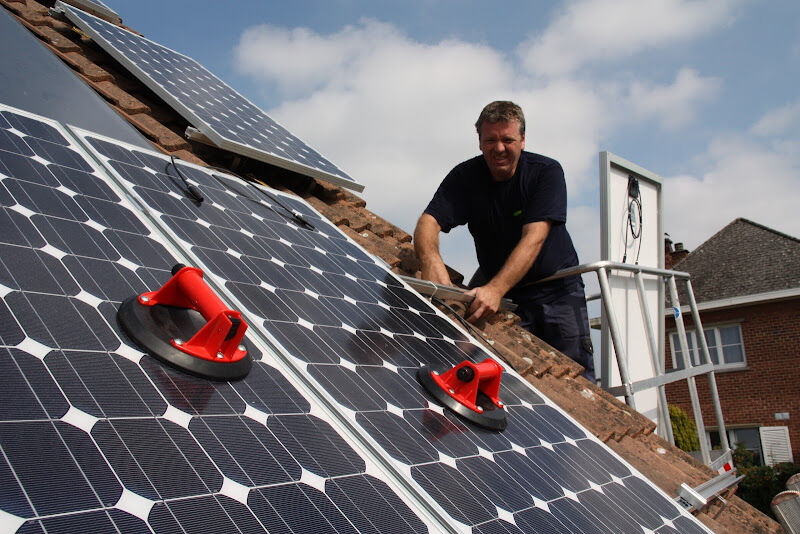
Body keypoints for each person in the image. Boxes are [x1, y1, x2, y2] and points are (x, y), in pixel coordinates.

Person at [413, 100, 595, 381]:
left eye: (508, 140)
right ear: (479, 141)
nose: (499, 148)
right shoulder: (465, 177)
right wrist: (431, 259)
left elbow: (534, 237)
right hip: (509, 297)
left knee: (575, 379)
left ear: (522, 140)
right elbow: (428, 222)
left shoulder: (546, 172)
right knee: (507, 380)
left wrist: (494, 290)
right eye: (491, 140)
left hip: (556, 291)